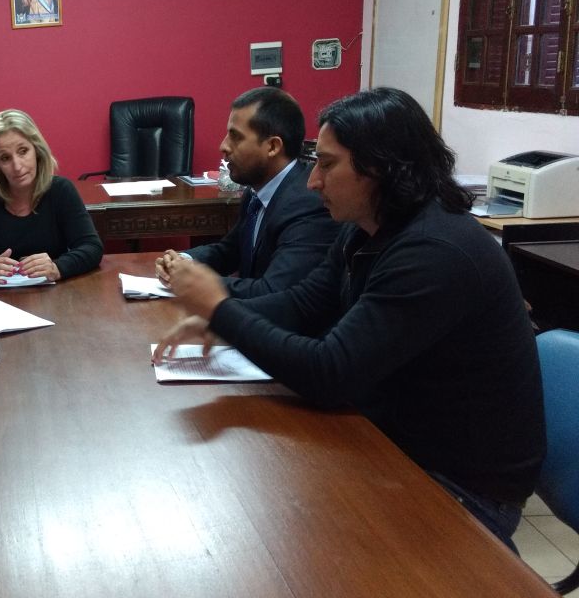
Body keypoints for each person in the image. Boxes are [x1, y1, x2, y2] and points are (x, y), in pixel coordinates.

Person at [153, 87, 545, 551]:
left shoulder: (434, 252)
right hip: (392, 440)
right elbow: (304, 305)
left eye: (327, 164)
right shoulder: (367, 228)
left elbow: (329, 373)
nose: (313, 181)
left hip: (460, 485)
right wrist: (223, 319)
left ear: (379, 168)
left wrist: (220, 307)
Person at [156, 86, 342, 297]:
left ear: (272, 146)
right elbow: (229, 251)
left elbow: (274, 291)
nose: (223, 146)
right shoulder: (256, 192)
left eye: (235, 137)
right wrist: (184, 261)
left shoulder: (308, 205)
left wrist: (192, 281)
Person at [0, 108, 102, 284]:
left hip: (53, 296)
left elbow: (92, 247)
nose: (17, 166)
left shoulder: (61, 191)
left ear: (37, 150)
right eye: (5, 158)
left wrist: (58, 267)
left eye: (23, 151)